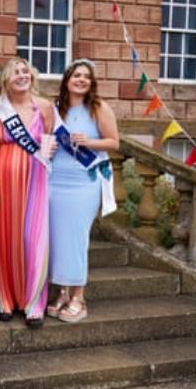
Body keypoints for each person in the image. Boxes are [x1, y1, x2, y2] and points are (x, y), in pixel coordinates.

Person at [0, 57, 55, 328]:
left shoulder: (44, 107)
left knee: (32, 238)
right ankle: (0, 300)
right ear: (6, 80)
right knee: (2, 238)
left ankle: (33, 302)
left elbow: (51, 140)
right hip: (2, 182)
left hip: (35, 180)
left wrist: (51, 151)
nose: (22, 76)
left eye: (25, 71)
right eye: (15, 73)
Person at [47, 59, 119, 323]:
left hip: (84, 183)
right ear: (67, 79)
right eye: (76, 75)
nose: (81, 80)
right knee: (58, 239)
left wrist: (89, 141)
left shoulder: (98, 108)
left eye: (86, 77)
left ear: (92, 83)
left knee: (77, 239)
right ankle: (63, 293)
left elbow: (114, 142)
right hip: (55, 182)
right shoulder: (55, 109)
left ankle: (79, 297)